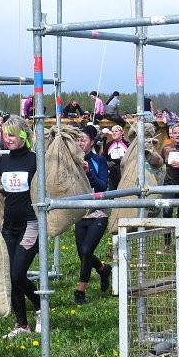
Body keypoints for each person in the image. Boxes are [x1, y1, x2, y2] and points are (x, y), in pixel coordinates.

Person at [0, 116, 41, 338]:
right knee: (10, 277)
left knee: (17, 273)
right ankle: (22, 324)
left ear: (23, 135)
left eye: (12, 135)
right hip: (9, 225)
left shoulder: (35, 161)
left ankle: (40, 306)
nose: (7, 139)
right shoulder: (3, 162)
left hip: (31, 224)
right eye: (5, 135)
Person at [73, 125, 110, 305]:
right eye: (78, 140)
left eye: (83, 140)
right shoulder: (72, 161)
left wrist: (90, 173)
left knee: (87, 250)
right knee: (83, 253)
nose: (80, 143)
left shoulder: (98, 160)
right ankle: (103, 269)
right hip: (80, 212)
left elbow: (103, 185)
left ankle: (80, 292)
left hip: (98, 212)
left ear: (92, 142)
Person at [104, 124, 129, 191]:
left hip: (124, 170)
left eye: (116, 131)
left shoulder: (127, 144)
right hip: (112, 171)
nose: (114, 133)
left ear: (121, 133)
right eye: (112, 131)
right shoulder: (108, 145)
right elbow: (105, 158)